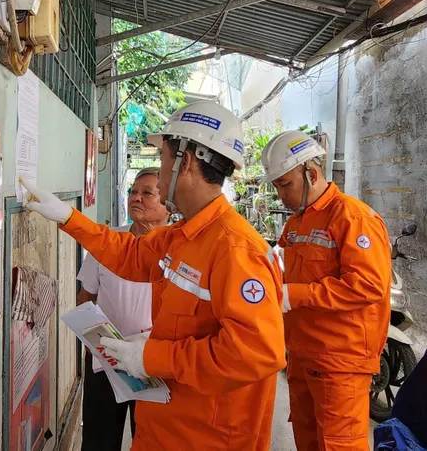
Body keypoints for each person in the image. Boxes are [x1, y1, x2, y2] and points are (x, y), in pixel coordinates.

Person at [22, 100, 285, 451]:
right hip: (163, 428)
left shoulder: (235, 250)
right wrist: (69, 218)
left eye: (161, 160)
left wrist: (151, 357)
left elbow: (256, 353)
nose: (158, 176)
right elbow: (129, 254)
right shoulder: (183, 235)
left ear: (184, 162)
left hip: (206, 439)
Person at [260, 130, 391, 451]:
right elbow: (282, 270)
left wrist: (295, 295)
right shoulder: (296, 223)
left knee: (339, 444)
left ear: (312, 174)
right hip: (303, 356)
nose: (280, 195)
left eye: (285, 184)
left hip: (340, 364)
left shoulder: (353, 217)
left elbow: (368, 285)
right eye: (276, 186)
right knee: (308, 440)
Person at [76, 166, 169, 451]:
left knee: (153, 440)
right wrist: (100, 342)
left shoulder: (180, 248)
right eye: (132, 191)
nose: (135, 198)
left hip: (155, 363)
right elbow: (85, 298)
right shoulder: (108, 242)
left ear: (168, 204)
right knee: (99, 440)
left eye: (147, 193)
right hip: (106, 361)